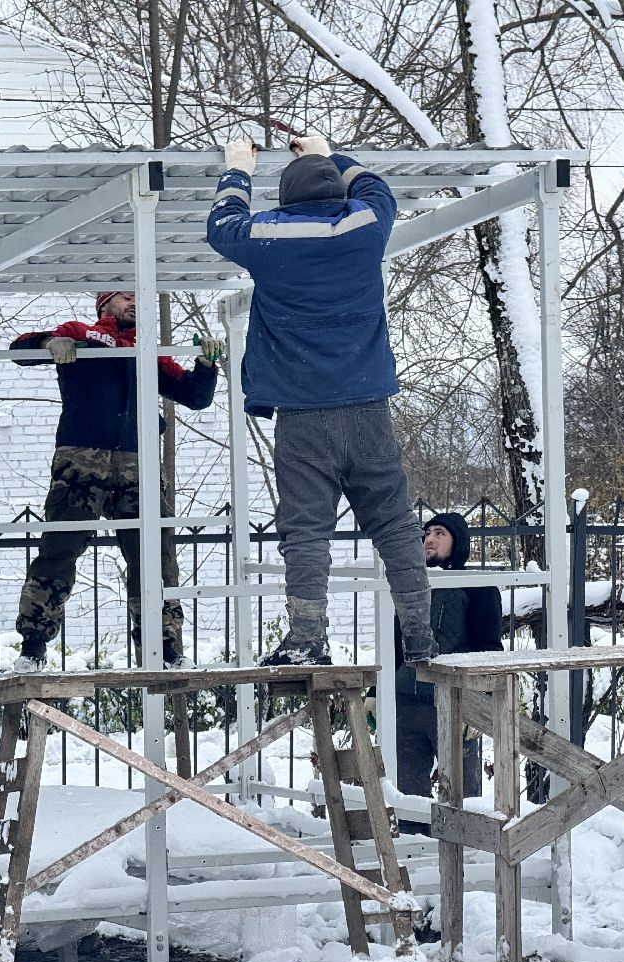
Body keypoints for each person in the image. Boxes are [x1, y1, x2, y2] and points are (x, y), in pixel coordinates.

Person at [206, 134, 436, 666]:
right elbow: (378, 191)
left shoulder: (270, 236)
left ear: (286, 198)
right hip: (369, 408)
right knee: (396, 524)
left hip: (302, 414)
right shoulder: (365, 227)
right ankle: (421, 637)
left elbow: (222, 225)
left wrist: (237, 168)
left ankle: (307, 639)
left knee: (306, 530)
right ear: (336, 191)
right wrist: (330, 154)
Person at [9, 291, 219, 671]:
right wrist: (50, 343)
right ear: (104, 304)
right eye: (125, 297)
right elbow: (19, 350)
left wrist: (206, 365)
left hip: (137, 462)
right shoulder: (81, 334)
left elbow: (194, 396)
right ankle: (33, 645)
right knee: (60, 547)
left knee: (154, 553)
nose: (134, 303)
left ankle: (165, 648)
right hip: (81, 459)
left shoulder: (147, 350)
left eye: (138, 297)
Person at [393, 512, 503, 833]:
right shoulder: (411, 586)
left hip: (454, 705)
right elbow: (394, 643)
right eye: (426, 533)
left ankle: (465, 857)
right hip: (407, 705)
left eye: (439, 533)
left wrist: (477, 706)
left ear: (458, 543)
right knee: (408, 801)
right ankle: (415, 854)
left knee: (463, 801)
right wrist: (376, 694)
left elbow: (488, 649)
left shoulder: (477, 587)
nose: (429, 539)